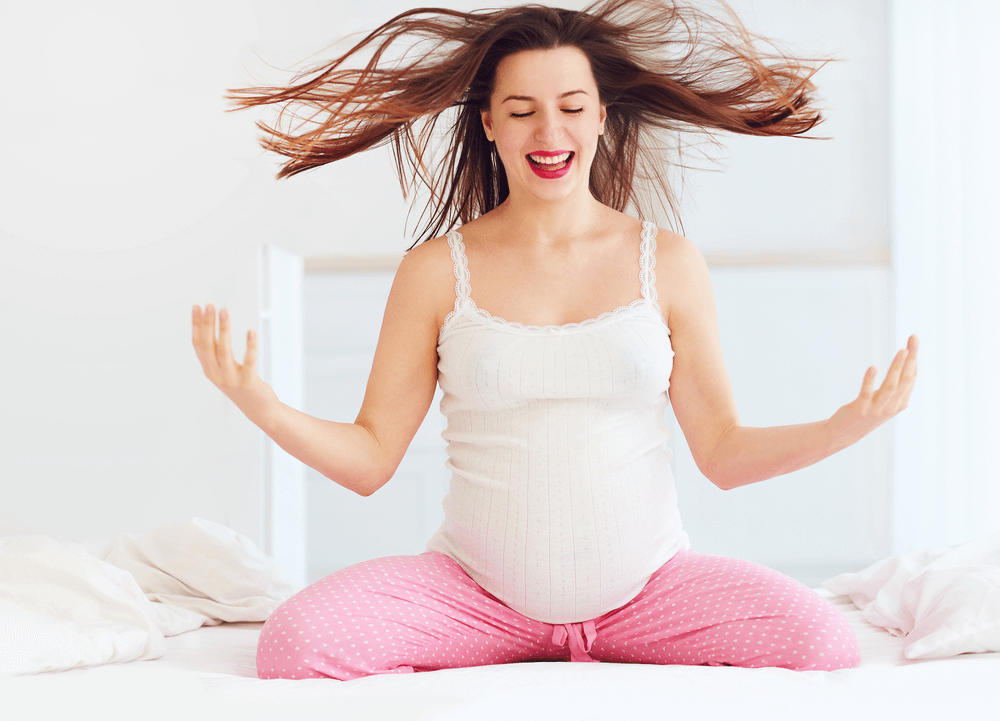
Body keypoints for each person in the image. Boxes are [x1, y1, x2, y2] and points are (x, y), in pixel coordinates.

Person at [191, 0, 918, 679]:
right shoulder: (437, 270)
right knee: (293, 643)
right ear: (487, 124)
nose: (549, 133)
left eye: (571, 108)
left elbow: (722, 452)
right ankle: (524, 639)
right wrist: (262, 404)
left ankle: (599, 639)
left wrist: (844, 426)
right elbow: (372, 457)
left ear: (601, 116)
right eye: (522, 111)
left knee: (823, 640)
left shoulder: (668, 261)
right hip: (475, 599)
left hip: (649, 594)